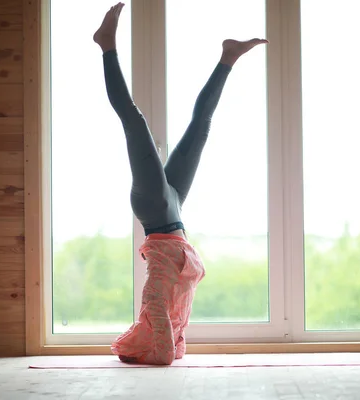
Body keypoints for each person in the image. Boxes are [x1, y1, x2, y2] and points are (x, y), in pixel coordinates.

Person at [93, 2, 268, 365]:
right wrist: (177, 343)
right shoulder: (173, 303)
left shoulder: (157, 286)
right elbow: (178, 313)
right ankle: (228, 58)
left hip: (156, 211)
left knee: (133, 120)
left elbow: (155, 306)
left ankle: (106, 45)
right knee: (201, 127)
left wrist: (165, 352)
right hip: (173, 206)